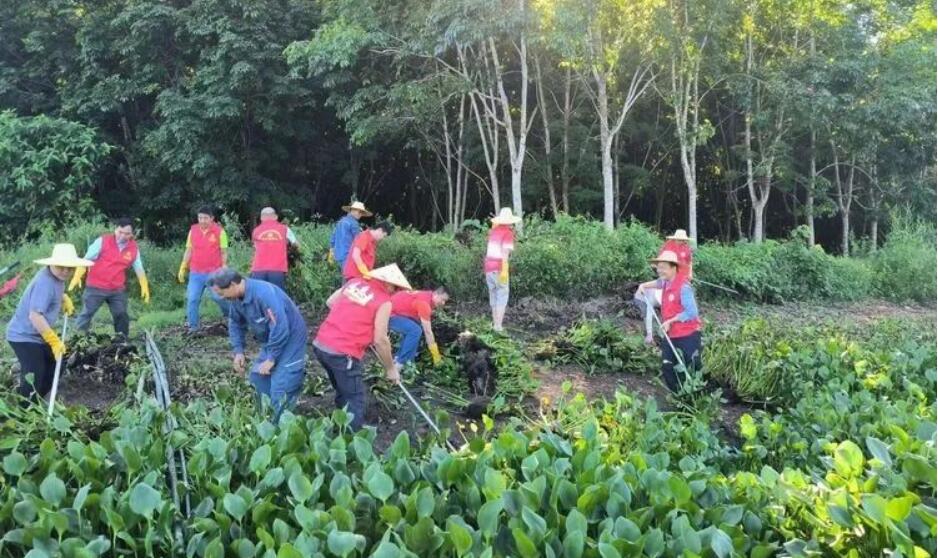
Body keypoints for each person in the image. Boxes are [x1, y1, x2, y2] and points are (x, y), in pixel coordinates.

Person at [313, 264, 411, 430]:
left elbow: (330, 302)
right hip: (343, 354)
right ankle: (352, 442)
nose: (394, 292)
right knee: (355, 398)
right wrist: (390, 369)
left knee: (343, 391)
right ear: (388, 284)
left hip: (321, 345)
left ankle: (340, 427)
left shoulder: (354, 283)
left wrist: (357, 323)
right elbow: (381, 340)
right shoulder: (384, 301)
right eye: (395, 288)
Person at [208, 268, 308, 420]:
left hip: (290, 337)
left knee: (281, 387)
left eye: (222, 293)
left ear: (234, 284)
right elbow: (235, 323)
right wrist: (239, 351)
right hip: (272, 338)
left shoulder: (263, 294)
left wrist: (271, 359)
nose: (221, 298)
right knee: (258, 378)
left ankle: (284, 426)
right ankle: (267, 419)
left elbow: (280, 327)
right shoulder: (236, 299)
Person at [7, 244, 92, 400]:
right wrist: (53, 341)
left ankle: (38, 399)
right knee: (34, 373)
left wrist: (62, 298)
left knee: (56, 365)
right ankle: (26, 407)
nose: (66, 271)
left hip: (37, 335)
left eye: (70, 268)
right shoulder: (44, 283)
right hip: (23, 336)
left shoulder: (56, 277)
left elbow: (52, 294)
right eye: (61, 267)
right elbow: (35, 316)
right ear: (52, 263)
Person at [71, 218, 151, 337]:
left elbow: (139, 268)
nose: (122, 236)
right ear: (115, 229)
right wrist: (78, 275)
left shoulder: (133, 248)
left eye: (127, 233)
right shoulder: (102, 241)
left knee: (121, 314)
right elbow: (86, 259)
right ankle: (76, 337)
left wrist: (144, 285)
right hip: (95, 286)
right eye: (120, 232)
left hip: (117, 289)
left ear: (132, 234)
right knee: (87, 313)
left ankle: (122, 341)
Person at [635, 250, 701, 393]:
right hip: (671, 335)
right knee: (667, 367)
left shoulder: (684, 287)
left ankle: (695, 397)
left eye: (663, 267)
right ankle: (679, 396)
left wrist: (671, 320)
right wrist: (644, 285)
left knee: (692, 368)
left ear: (673, 268)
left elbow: (692, 312)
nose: (659, 270)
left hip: (688, 335)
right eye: (658, 267)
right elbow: (658, 282)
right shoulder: (666, 282)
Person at [634, 229, 694, 344]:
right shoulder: (667, 248)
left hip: (675, 291)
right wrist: (643, 285)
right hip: (662, 293)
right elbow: (658, 281)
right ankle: (650, 335)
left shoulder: (686, 250)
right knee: (650, 306)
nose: (681, 242)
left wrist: (688, 275)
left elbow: (689, 262)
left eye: (683, 240)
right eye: (679, 240)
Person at [177, 206, 231, 333]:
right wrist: (183, 266)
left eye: (205, 218)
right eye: (200, 218)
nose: (202, 220)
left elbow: (223, 252)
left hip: (214, 273)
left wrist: (224, 265)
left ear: (212, 218)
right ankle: (194, 328)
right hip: (196, 272)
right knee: (192, 299)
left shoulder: (220, 232)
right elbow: (189, 250)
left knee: (219, 298)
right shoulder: (193, 231)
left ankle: (233, 317)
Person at [389, 287, 449, 369]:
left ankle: (405, 361)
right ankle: (400, 363)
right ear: (436, 294)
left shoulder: (427, 295)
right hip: (388, 314)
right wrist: (436, 355)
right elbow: (428, 332)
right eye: (442, 299)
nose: (443, 303)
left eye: (445, 301)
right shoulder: (424, 303)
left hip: (397, 312)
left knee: (414, 329)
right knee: (415, 331)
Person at [484, 208, 521, 332]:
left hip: (488, 267)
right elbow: (505, 253)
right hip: (499, 267)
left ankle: (495, 324)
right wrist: (505, 270)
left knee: (493, 295)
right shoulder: (508, 233)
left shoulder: (493, 232)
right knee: (502, 295)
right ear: (510, 221)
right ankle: (498, 326)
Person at [250, 207, 300, 290]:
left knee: (259, 298)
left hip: (258, 269)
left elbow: (255, 249)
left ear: (262, 218)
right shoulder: (285, 229)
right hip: (277, 269)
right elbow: (296, 245)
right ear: (275, 217)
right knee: (276, 296)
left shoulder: (256, 231)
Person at [330, 201, 372, 269]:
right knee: (348, 278)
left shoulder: (340, 221)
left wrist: (331, 252)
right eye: (360, 212)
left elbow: (333, 239)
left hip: (337, 256)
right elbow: (358, 240)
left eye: (362, 213)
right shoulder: (354, 223)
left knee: (341, 276)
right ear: (353, 211)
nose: (361, 215)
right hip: (348, 256)